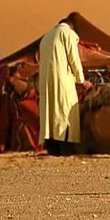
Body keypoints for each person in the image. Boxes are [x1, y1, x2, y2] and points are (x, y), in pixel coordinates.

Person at [37, 18, 86, 155]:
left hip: (46, 81)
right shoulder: (67, 34)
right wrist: (81, 79)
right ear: (71, 26)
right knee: (66, 111)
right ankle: (65, 147)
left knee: (50, 112)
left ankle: (52, 147)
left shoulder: (46, 37)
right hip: (63, 80)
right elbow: (74, 58)